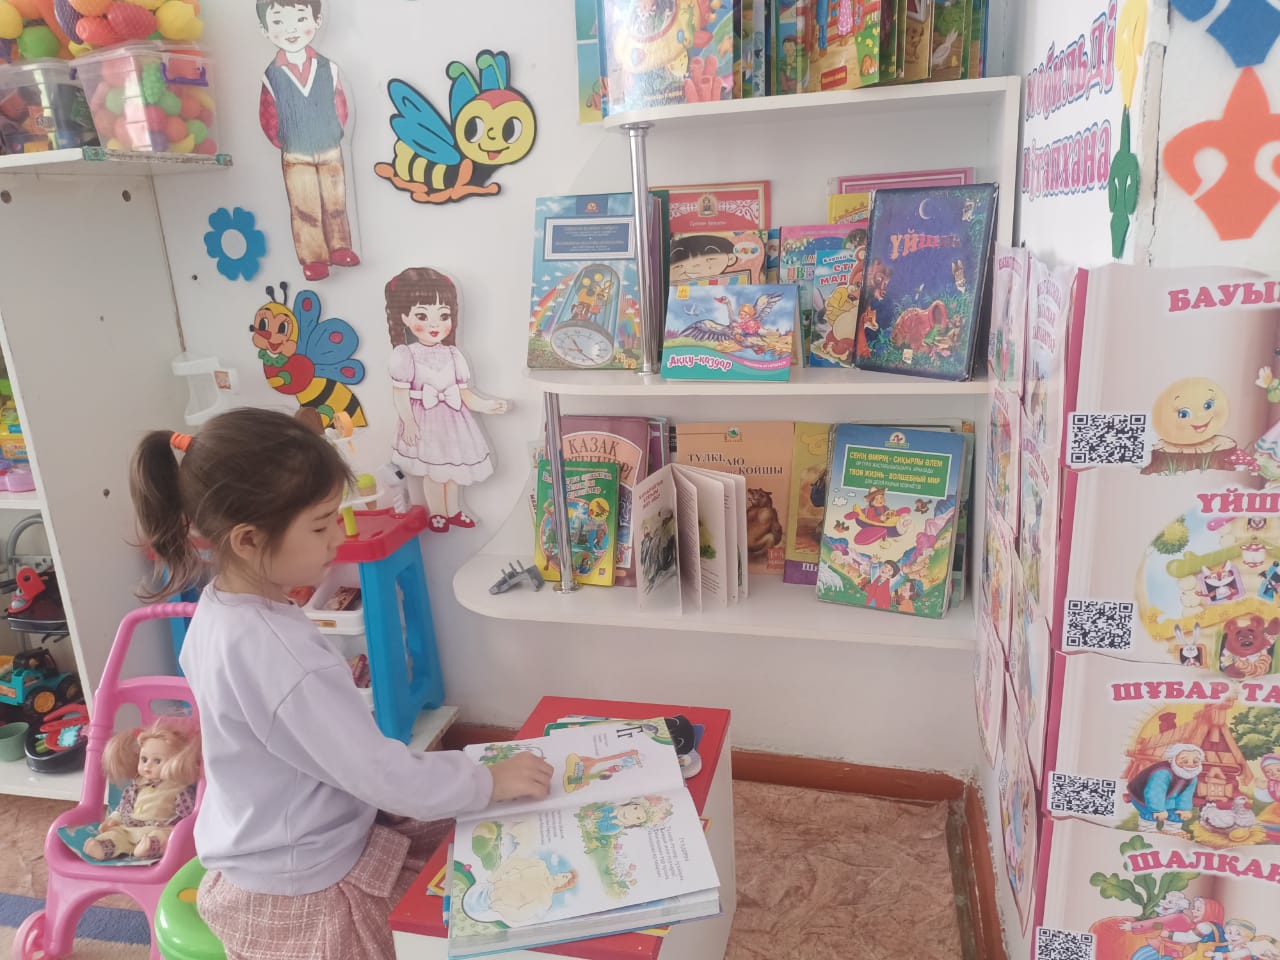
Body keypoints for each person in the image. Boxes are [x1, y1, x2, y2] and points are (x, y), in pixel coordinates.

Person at [130, 409, 552, 960]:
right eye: (321, 524)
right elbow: (380, 774)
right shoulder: (282, 656)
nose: (339, 535)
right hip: (306, 884)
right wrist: (486, 781)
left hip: (259, 847)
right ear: (249, 539)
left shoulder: (216, 609)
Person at [385, 267, 511, 533]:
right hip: (425, 423)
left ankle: (452, 511)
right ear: (405, 317)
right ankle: (438, 514)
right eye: (422, 316)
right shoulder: (405, 355)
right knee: (434, 472)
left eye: (443, 316)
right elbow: (400, 393)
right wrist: (409, 422)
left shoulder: (453, 354)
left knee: (453, 472)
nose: (435, 325)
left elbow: (463, 393)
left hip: (454, 423)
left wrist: (486, 405)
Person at [257, 0, 360, 281]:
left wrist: (336, 131)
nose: (290, 30)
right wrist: (283, 141)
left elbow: (340, 102)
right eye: (279, 22)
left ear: (317, 21)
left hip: (330, 147)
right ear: (265, 30)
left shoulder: (328, 67)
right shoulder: (272, 74)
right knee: (304, 206)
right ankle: (314, 258)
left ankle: (340, 246)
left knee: (335, 200)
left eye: (300, 19)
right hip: (296, 152)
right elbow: (268, 113)